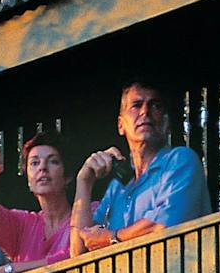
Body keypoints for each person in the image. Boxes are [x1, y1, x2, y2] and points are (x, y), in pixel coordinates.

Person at [71, 82, 212, 256]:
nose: (145, 112)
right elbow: (78, 251)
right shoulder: (117, 188)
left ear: (166, 123)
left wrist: (111, 237)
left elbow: (165, 226)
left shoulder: (180, 161)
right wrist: (84, 181)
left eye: (155, 105)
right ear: (121, 125)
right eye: (136, 105)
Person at [0, 133, 75, 273]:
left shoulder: (88, 212)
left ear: (68, 176)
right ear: (28, 178)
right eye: (34, 163)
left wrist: (11, 269)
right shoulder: (23, 224)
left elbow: (73, 257)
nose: (42, 168)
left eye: (53, 161)